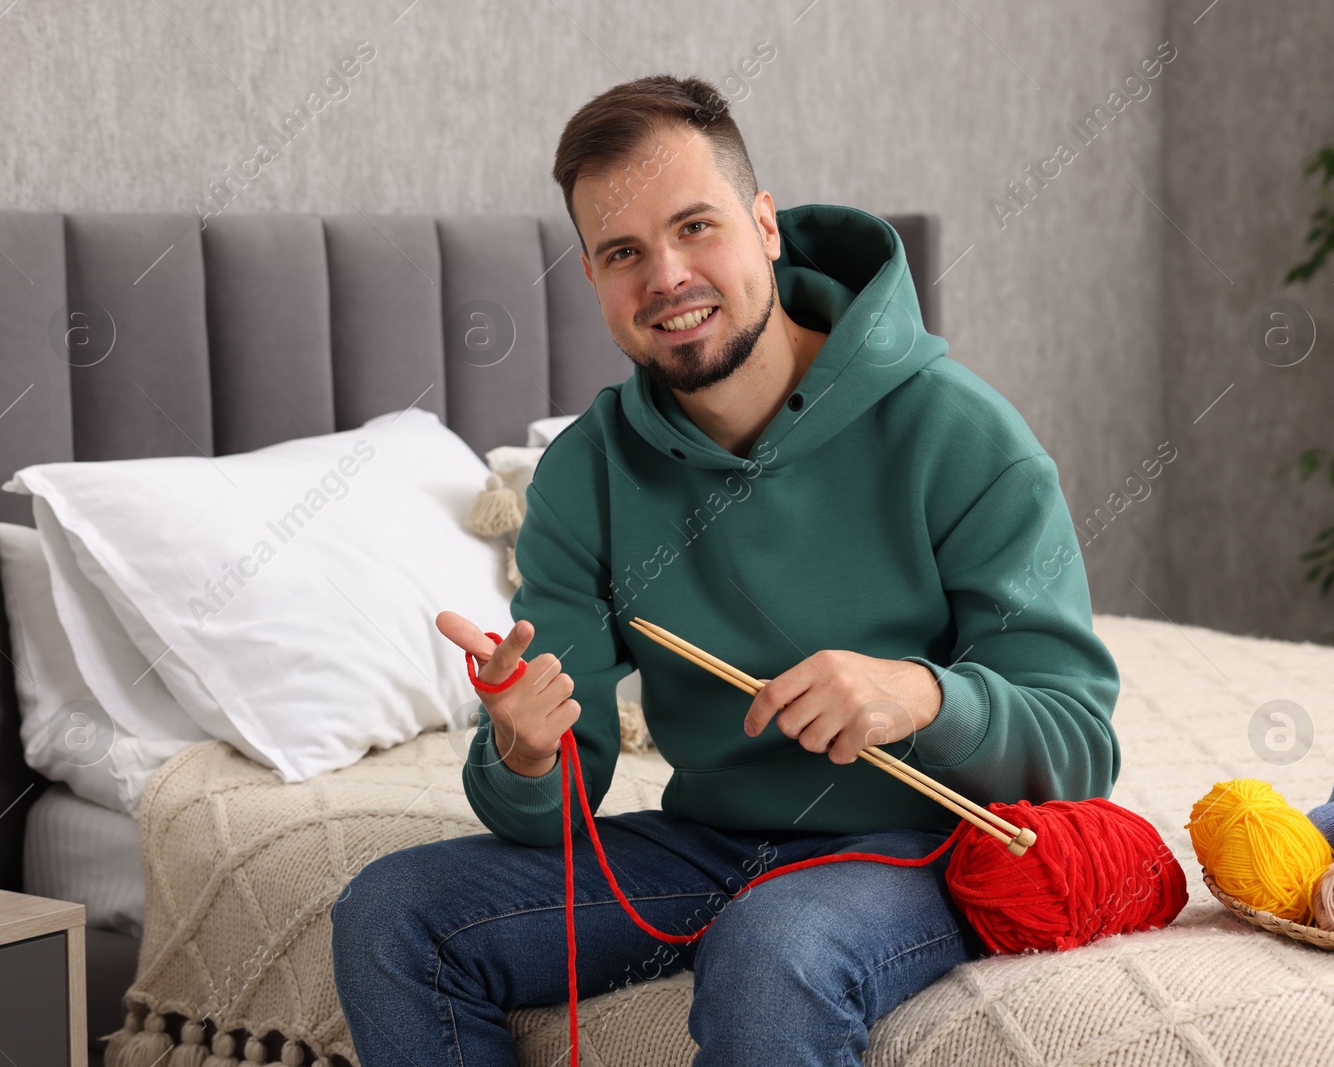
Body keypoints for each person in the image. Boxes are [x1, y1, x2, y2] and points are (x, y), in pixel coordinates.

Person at [331, 73, 1122, 1067]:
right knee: (391, 910)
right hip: (706, 845)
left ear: (764, 227)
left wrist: (921, 694)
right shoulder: (585, 472)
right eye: (623, 252)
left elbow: (1078, 744)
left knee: (773, 943)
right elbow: (559, 803)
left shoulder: (962, 434)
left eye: (695, 227)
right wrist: (528, 753)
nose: (665, 276)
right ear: (591, 277)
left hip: (913, 844)